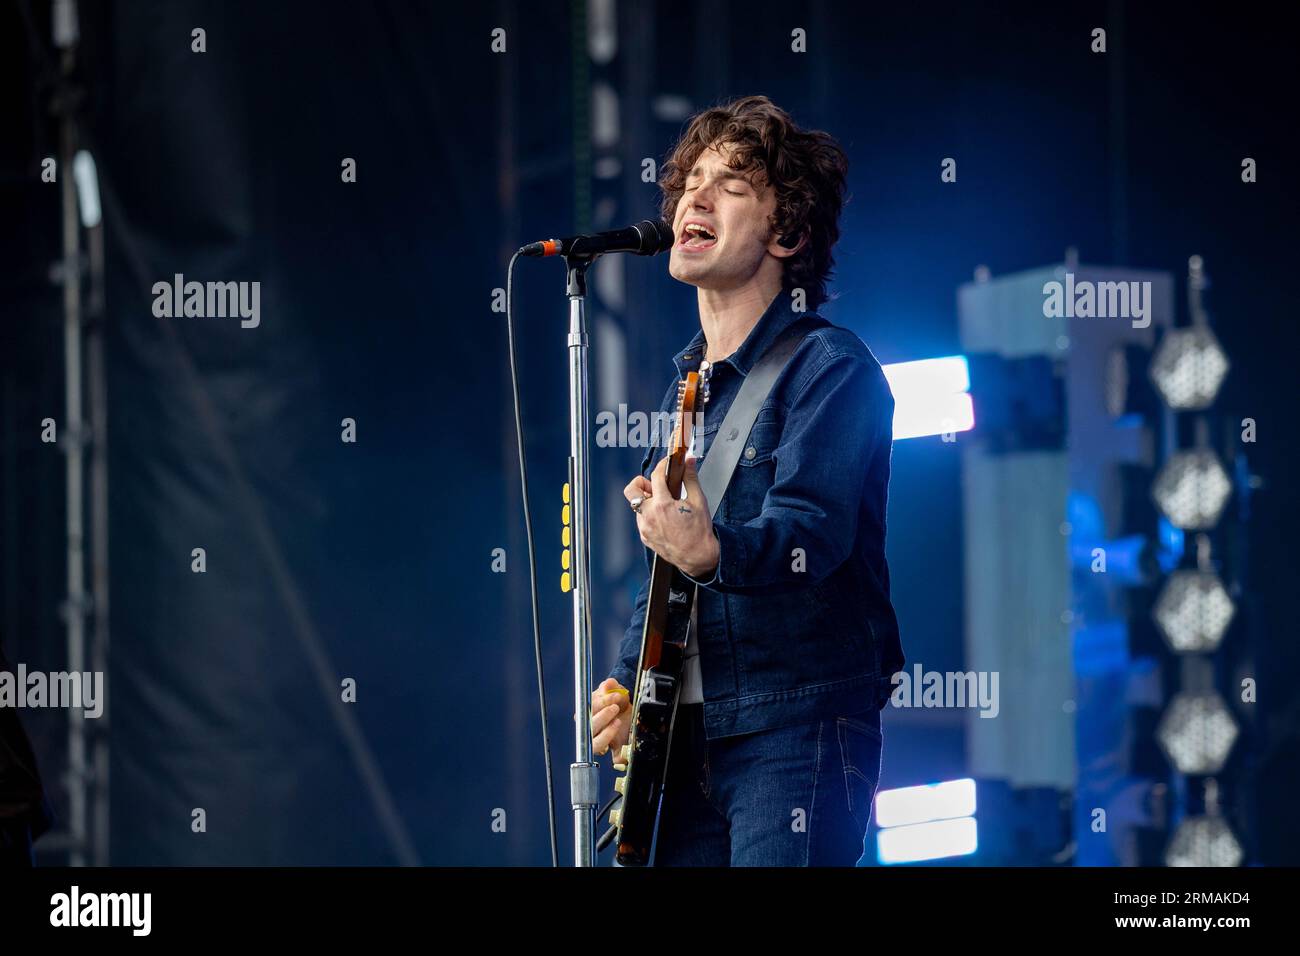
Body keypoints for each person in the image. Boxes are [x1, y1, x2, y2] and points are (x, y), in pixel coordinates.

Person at [590, 95, 903, 866]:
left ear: (787, 231)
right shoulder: (687, 390)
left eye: (731, 184)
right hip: (682, 737)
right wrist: (631, 687)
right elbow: (668, 562)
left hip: (791, 728)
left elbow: (811, 537)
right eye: (690, 180)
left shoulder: (831, 368)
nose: (694, 195)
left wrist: (711, 551)